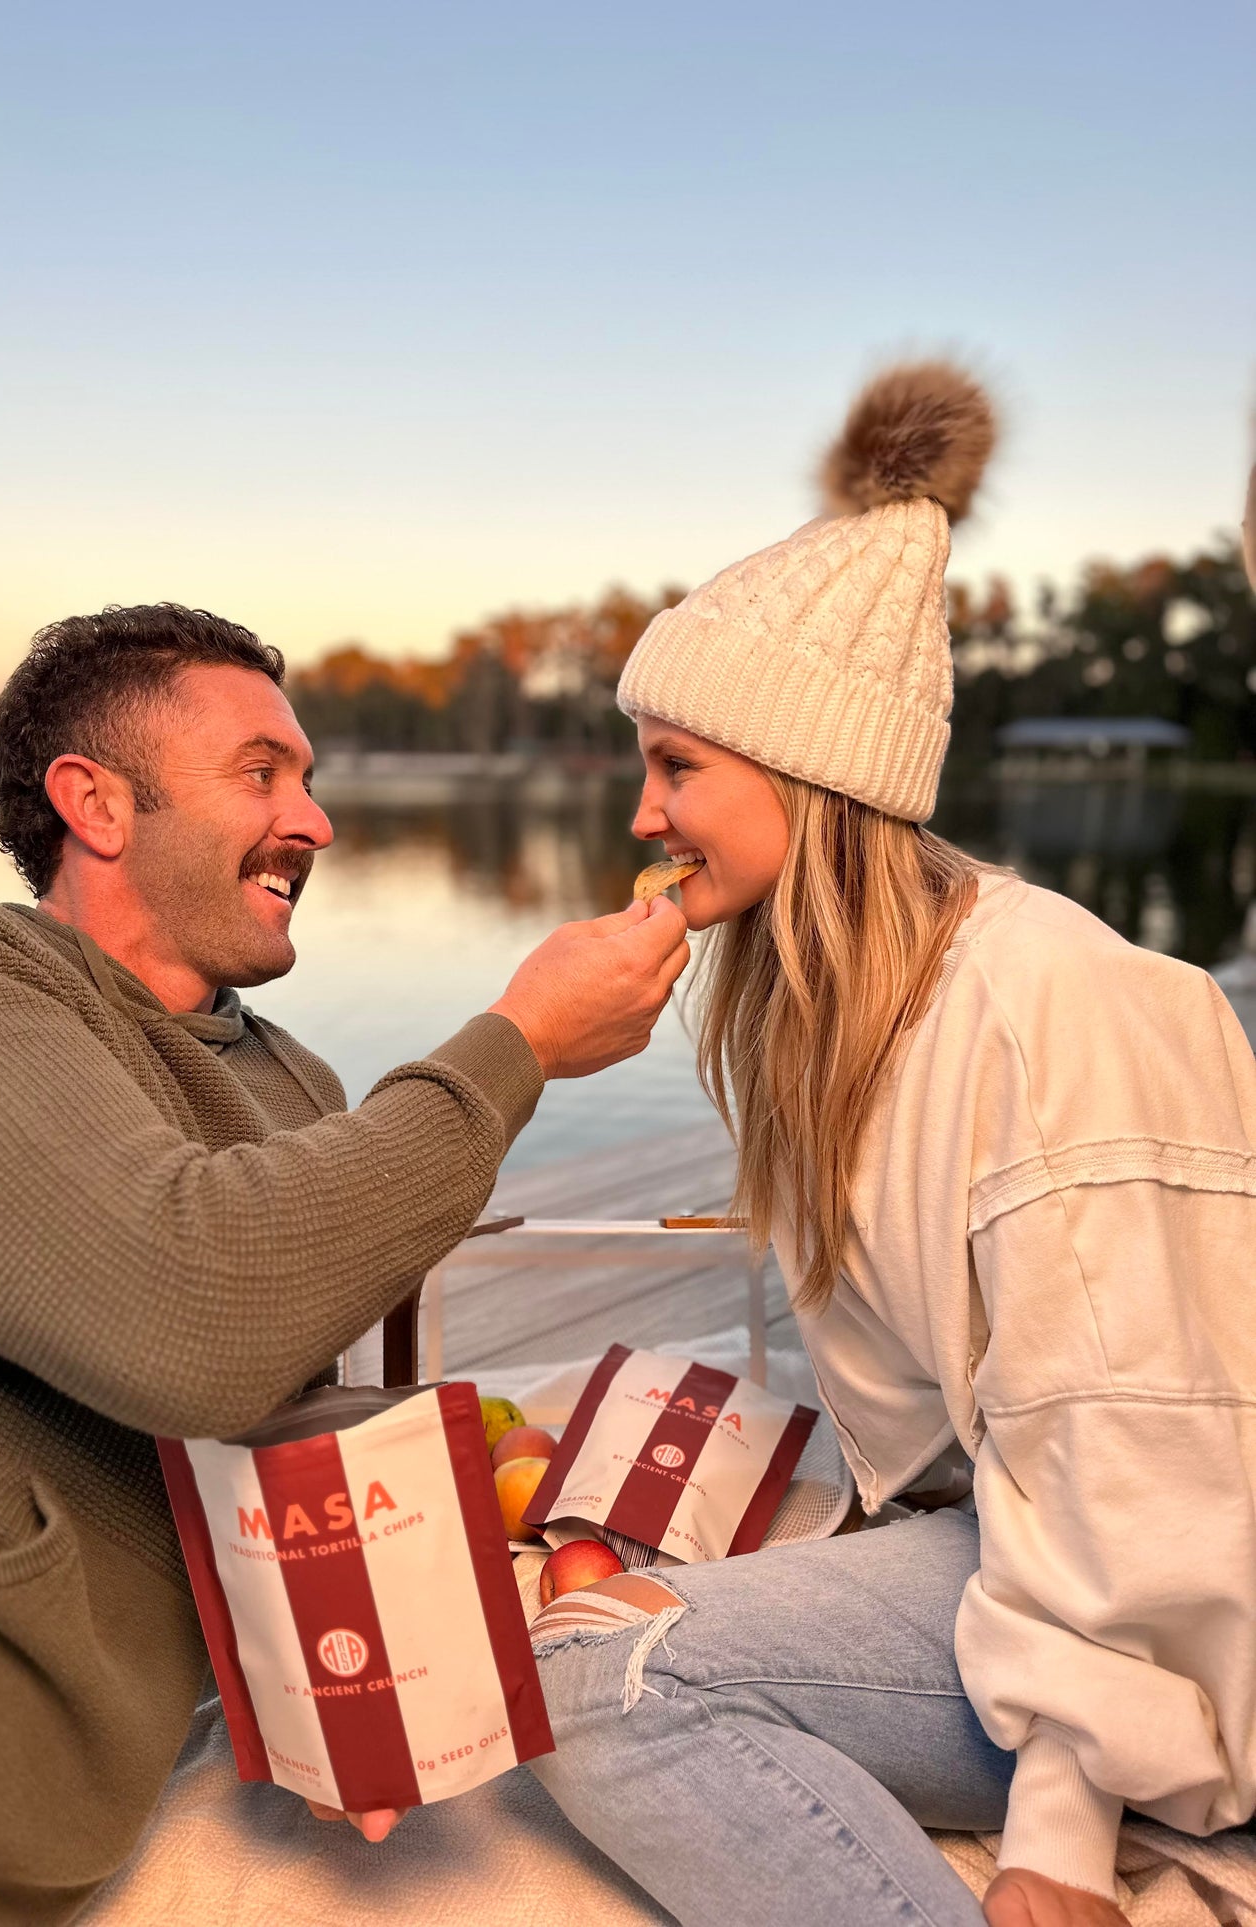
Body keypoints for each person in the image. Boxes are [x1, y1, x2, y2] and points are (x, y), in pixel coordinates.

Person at [0, 603, 690, 1927]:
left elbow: (264, 1437)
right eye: (262, 774)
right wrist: (516, 1045)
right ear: (96, 805)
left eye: (310, 780)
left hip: (90, 1792)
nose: (314, 823)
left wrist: (359, 1688)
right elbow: (183, 1312)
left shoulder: (294, 1083)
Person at [525, 366, 1256, 1927]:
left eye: (677, 767)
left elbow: (1142, 1447)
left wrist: (1061, 1832)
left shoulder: (1053, 1008)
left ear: (811, 774)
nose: (643, 815)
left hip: (1173, 1633)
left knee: (599, 1675)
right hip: (992, 1543)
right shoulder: (833, 1009)